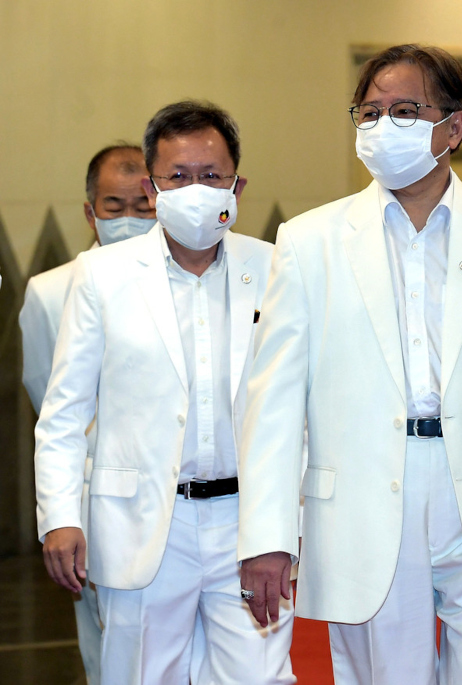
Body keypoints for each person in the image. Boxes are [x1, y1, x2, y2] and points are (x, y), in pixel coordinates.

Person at [236, 44, 462, 685]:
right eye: (368, 112)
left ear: (454, 127)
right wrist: (267, 535)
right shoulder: (309, 242)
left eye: (404, 110)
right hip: (366, 502)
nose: (381, 127)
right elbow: (275, 404)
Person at [33, 100, 294, 684]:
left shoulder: (278, 268)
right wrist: (58, 516)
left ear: (237, 184)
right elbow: (63, 413)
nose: (196, 188)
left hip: (247, 524)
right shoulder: (102, 277)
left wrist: (286, 526)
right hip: (143, 525)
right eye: (178, 176)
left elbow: (296, 410)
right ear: (153, 188)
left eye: (211, 175)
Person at [19, 143, 155, 685]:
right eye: (113, 205)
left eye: (141, 207)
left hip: (188, 495)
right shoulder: (49, 292)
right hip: (97, 501)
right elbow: (48, 406)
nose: (128, 219)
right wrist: (63, 513)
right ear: (89, 211)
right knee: (109, 648)